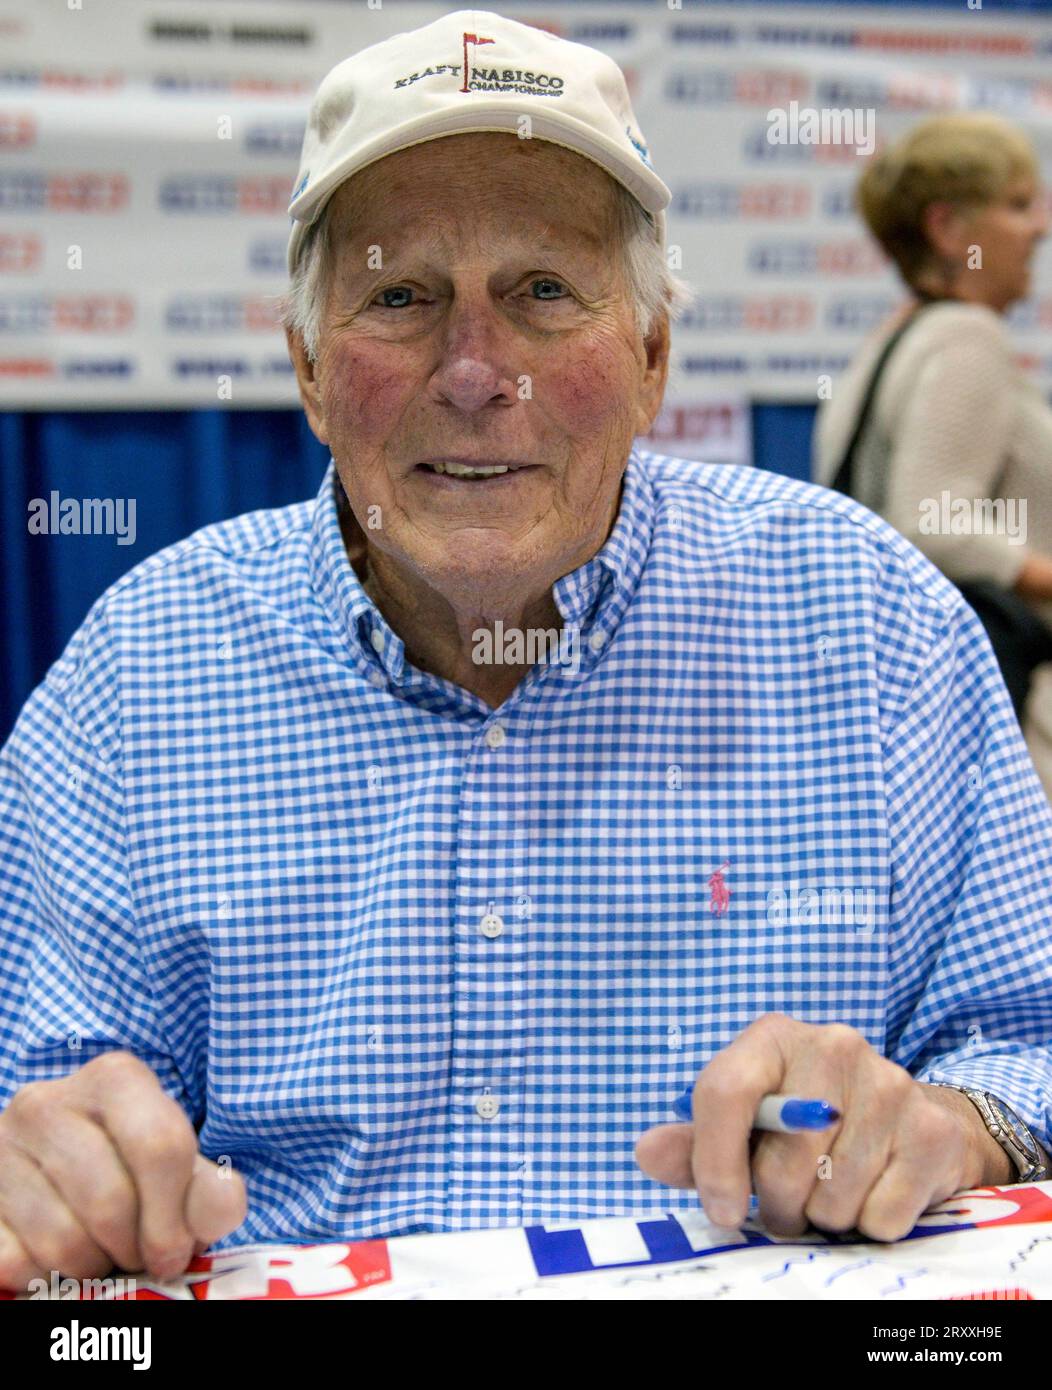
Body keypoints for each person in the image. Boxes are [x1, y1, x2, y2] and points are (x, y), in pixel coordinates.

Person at [1, 12, 1052, 1293]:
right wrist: (50, 1169)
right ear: (309, 371)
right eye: (399, 296)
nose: (475, 371)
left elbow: (1028, 1039)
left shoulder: (866, 618)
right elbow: (41, 1104)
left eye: (544, 291)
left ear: (654, 354)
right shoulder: (143, 667)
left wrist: (951, 1122)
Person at [813, 112, 1052, 795]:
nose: (1039, 226)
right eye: (1016, 205)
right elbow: (932, 522)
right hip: (1014, 730)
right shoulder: (968, 338)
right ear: (948, 229)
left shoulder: (888, 344)